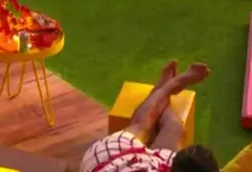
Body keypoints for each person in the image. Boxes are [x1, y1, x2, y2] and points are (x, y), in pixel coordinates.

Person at [80, 61, 218, 172]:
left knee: (143, 126)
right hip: (115, 160)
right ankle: (166, 89)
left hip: (104, 160)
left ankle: (165, 88)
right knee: (174, 128)